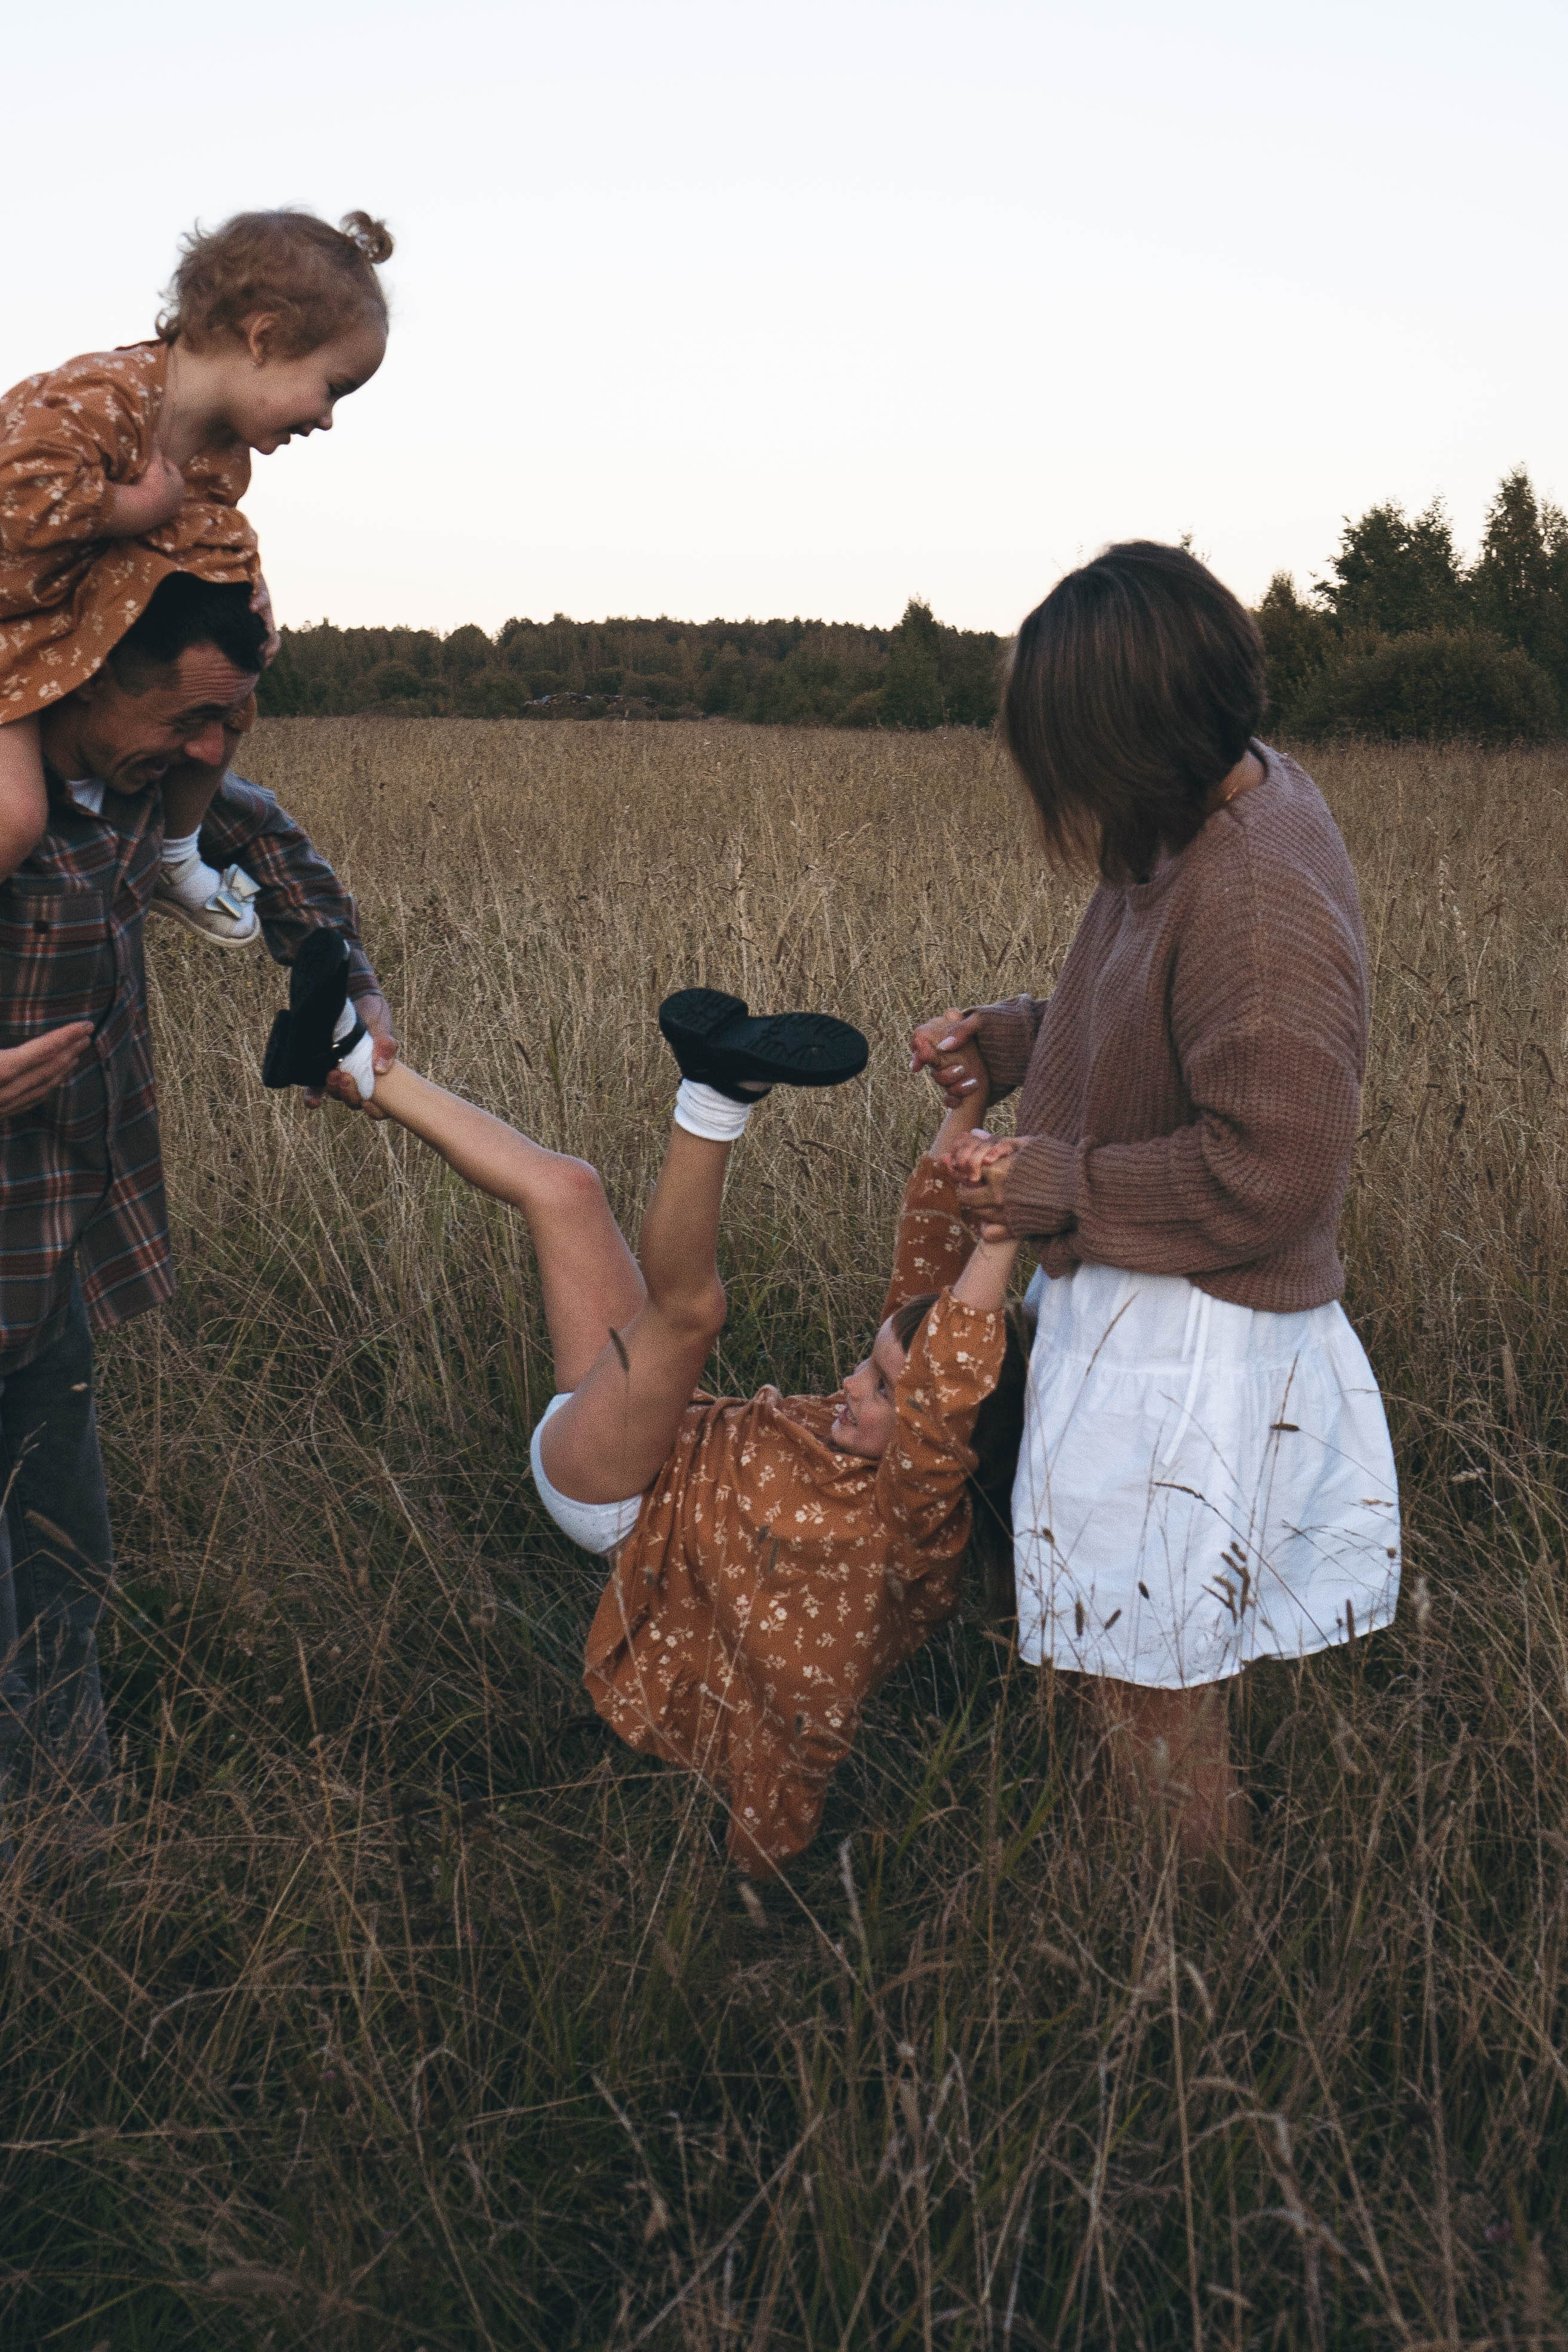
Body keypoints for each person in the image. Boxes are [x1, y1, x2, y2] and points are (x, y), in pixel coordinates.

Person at [288, 976, 1025, 1874]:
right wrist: (971, 1108)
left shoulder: (916, 1519)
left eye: (878, 1388)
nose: (848, 1383)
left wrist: (1004, 1241)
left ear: (948, 1444)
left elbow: (946, 1391)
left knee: (690, 1314)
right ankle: (353, 1060)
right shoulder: (903, 1409)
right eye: (867, 1366)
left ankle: (717, 1093)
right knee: (565, 1189)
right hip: (651, 1424)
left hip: (622, 1494)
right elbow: (931, 1246)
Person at [912, 541, 1400, 1863]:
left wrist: (1047, 1184)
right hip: (1143, 1306)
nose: (1062, 791)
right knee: (1121, 1651)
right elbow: (1160, 1024)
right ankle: (1131, 1889)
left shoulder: (1256, 890)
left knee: (1152, 1683)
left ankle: (1192, 1939)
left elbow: (1272, 1171)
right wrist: (1018, 1039)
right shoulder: (1191, 814)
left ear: (1134, 741)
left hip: (1191, 1346)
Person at [0, 571, 396, 1860]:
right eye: (191, 719)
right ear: (89, 675)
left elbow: (268, 841)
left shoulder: (138, 789)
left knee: (63, 1562)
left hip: (42, 1254)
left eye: (232, 722)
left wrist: (350, 985)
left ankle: (69, 1853)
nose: (214, 753)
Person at [0, 206, 392, 943]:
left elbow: (204, 538)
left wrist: (251, 594)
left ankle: (175, 852)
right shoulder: (102, 396)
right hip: (8, 637)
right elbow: (21, 500)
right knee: (14, 820)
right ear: (263, 337)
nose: (328, 419)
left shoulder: (221, 454)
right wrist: (134, 505)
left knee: (234, 681)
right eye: (334, 387)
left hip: (50, 632)